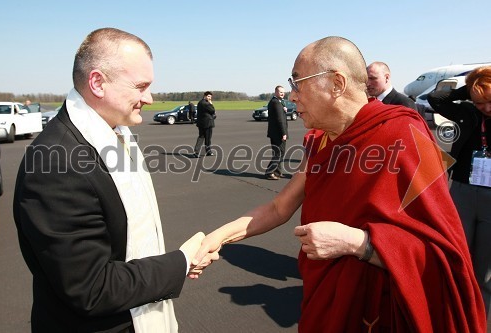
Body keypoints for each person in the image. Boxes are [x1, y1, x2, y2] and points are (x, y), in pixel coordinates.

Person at [194, 36, 486, 332]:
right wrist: (217, 237)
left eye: (298, 83)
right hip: (327, 297)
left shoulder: (405, 133)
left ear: (337, 83)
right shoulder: (320, 141)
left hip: (381, 307)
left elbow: (442, 253)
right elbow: (279, 207)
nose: (292, 96)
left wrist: (358, 243)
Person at [13, 28, 217, 333]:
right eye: (140, 86)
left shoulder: (115, 134)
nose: (148, 98)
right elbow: (91, 288)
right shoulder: (55, 163)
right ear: (97, 83)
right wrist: (182, 262)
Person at [428, 66, 491, 318]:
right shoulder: (467, 111)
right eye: (479, 102)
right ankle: (456, 311)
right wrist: (473, 85)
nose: (485, 107)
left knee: (485, 268)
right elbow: (436, 98)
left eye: (489, 101)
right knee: (456, 254)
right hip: (463, 190)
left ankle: (478, 317)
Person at [265, 85, 289, 180]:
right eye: (280, 92)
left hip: (276, 132)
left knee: (280, 153)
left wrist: (284, 110)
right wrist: (284, 133)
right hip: (278, 133)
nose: (282, 93)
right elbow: (280, 120)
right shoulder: (276, 103)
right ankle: (269, 172)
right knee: (278, 153)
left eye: (283, 92)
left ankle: (278, 172)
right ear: (276, 92)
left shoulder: (278, 102)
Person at [193, 91, 216, 157]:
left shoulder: (200, 102)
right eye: (208, 96)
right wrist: (211, 103)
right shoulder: (206, 103)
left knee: (201, 137)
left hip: (201, 123)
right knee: (207, 138)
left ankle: (196, 152)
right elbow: (212, 110)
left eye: (210, 97)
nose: (209, 98)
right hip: (207, 123)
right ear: (205, 96)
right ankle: (208, 151)